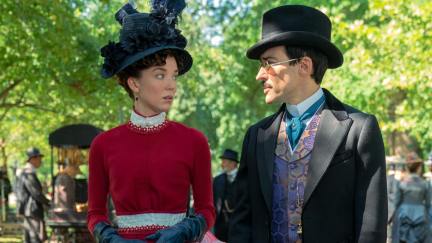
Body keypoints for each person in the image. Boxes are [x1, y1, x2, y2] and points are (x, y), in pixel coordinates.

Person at [229, 5, 387, 243]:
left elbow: (371, 228)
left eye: (269, 62)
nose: (260, 75)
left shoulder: (358, 129)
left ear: (304, 65)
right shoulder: (257, 136)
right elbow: (242, 222)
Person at [87, 2, 215, 243]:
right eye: (160, 75)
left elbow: (206, 210)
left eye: (174, 75)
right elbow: (95, 213)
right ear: (134, 84)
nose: (172, 85)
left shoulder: (194, 141)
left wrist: (186, 230)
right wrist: (109, 237)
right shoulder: (102, 145)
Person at [391, 152, 431, 243]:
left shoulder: (401, 183)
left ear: (407, 167)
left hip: (403, 215)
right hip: (421, 216)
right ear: (418, 167)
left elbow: (396, 202)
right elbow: (428, 204)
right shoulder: (425, 184)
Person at [15, 147, 50, 243]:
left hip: (29, 210)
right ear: (33, 159)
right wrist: (49, 203)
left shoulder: (25, 172)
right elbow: (36, 193)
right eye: (39, 158)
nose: (40, 161)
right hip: (32, 210)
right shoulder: (28, 173)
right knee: (34, 238)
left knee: (30, 238)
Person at [212, 149, 239, 241]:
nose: (222, 163)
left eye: (224, 161)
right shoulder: (218, 180)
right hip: (220, 225)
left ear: (232, 163)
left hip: (237, 223)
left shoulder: (244, 180)